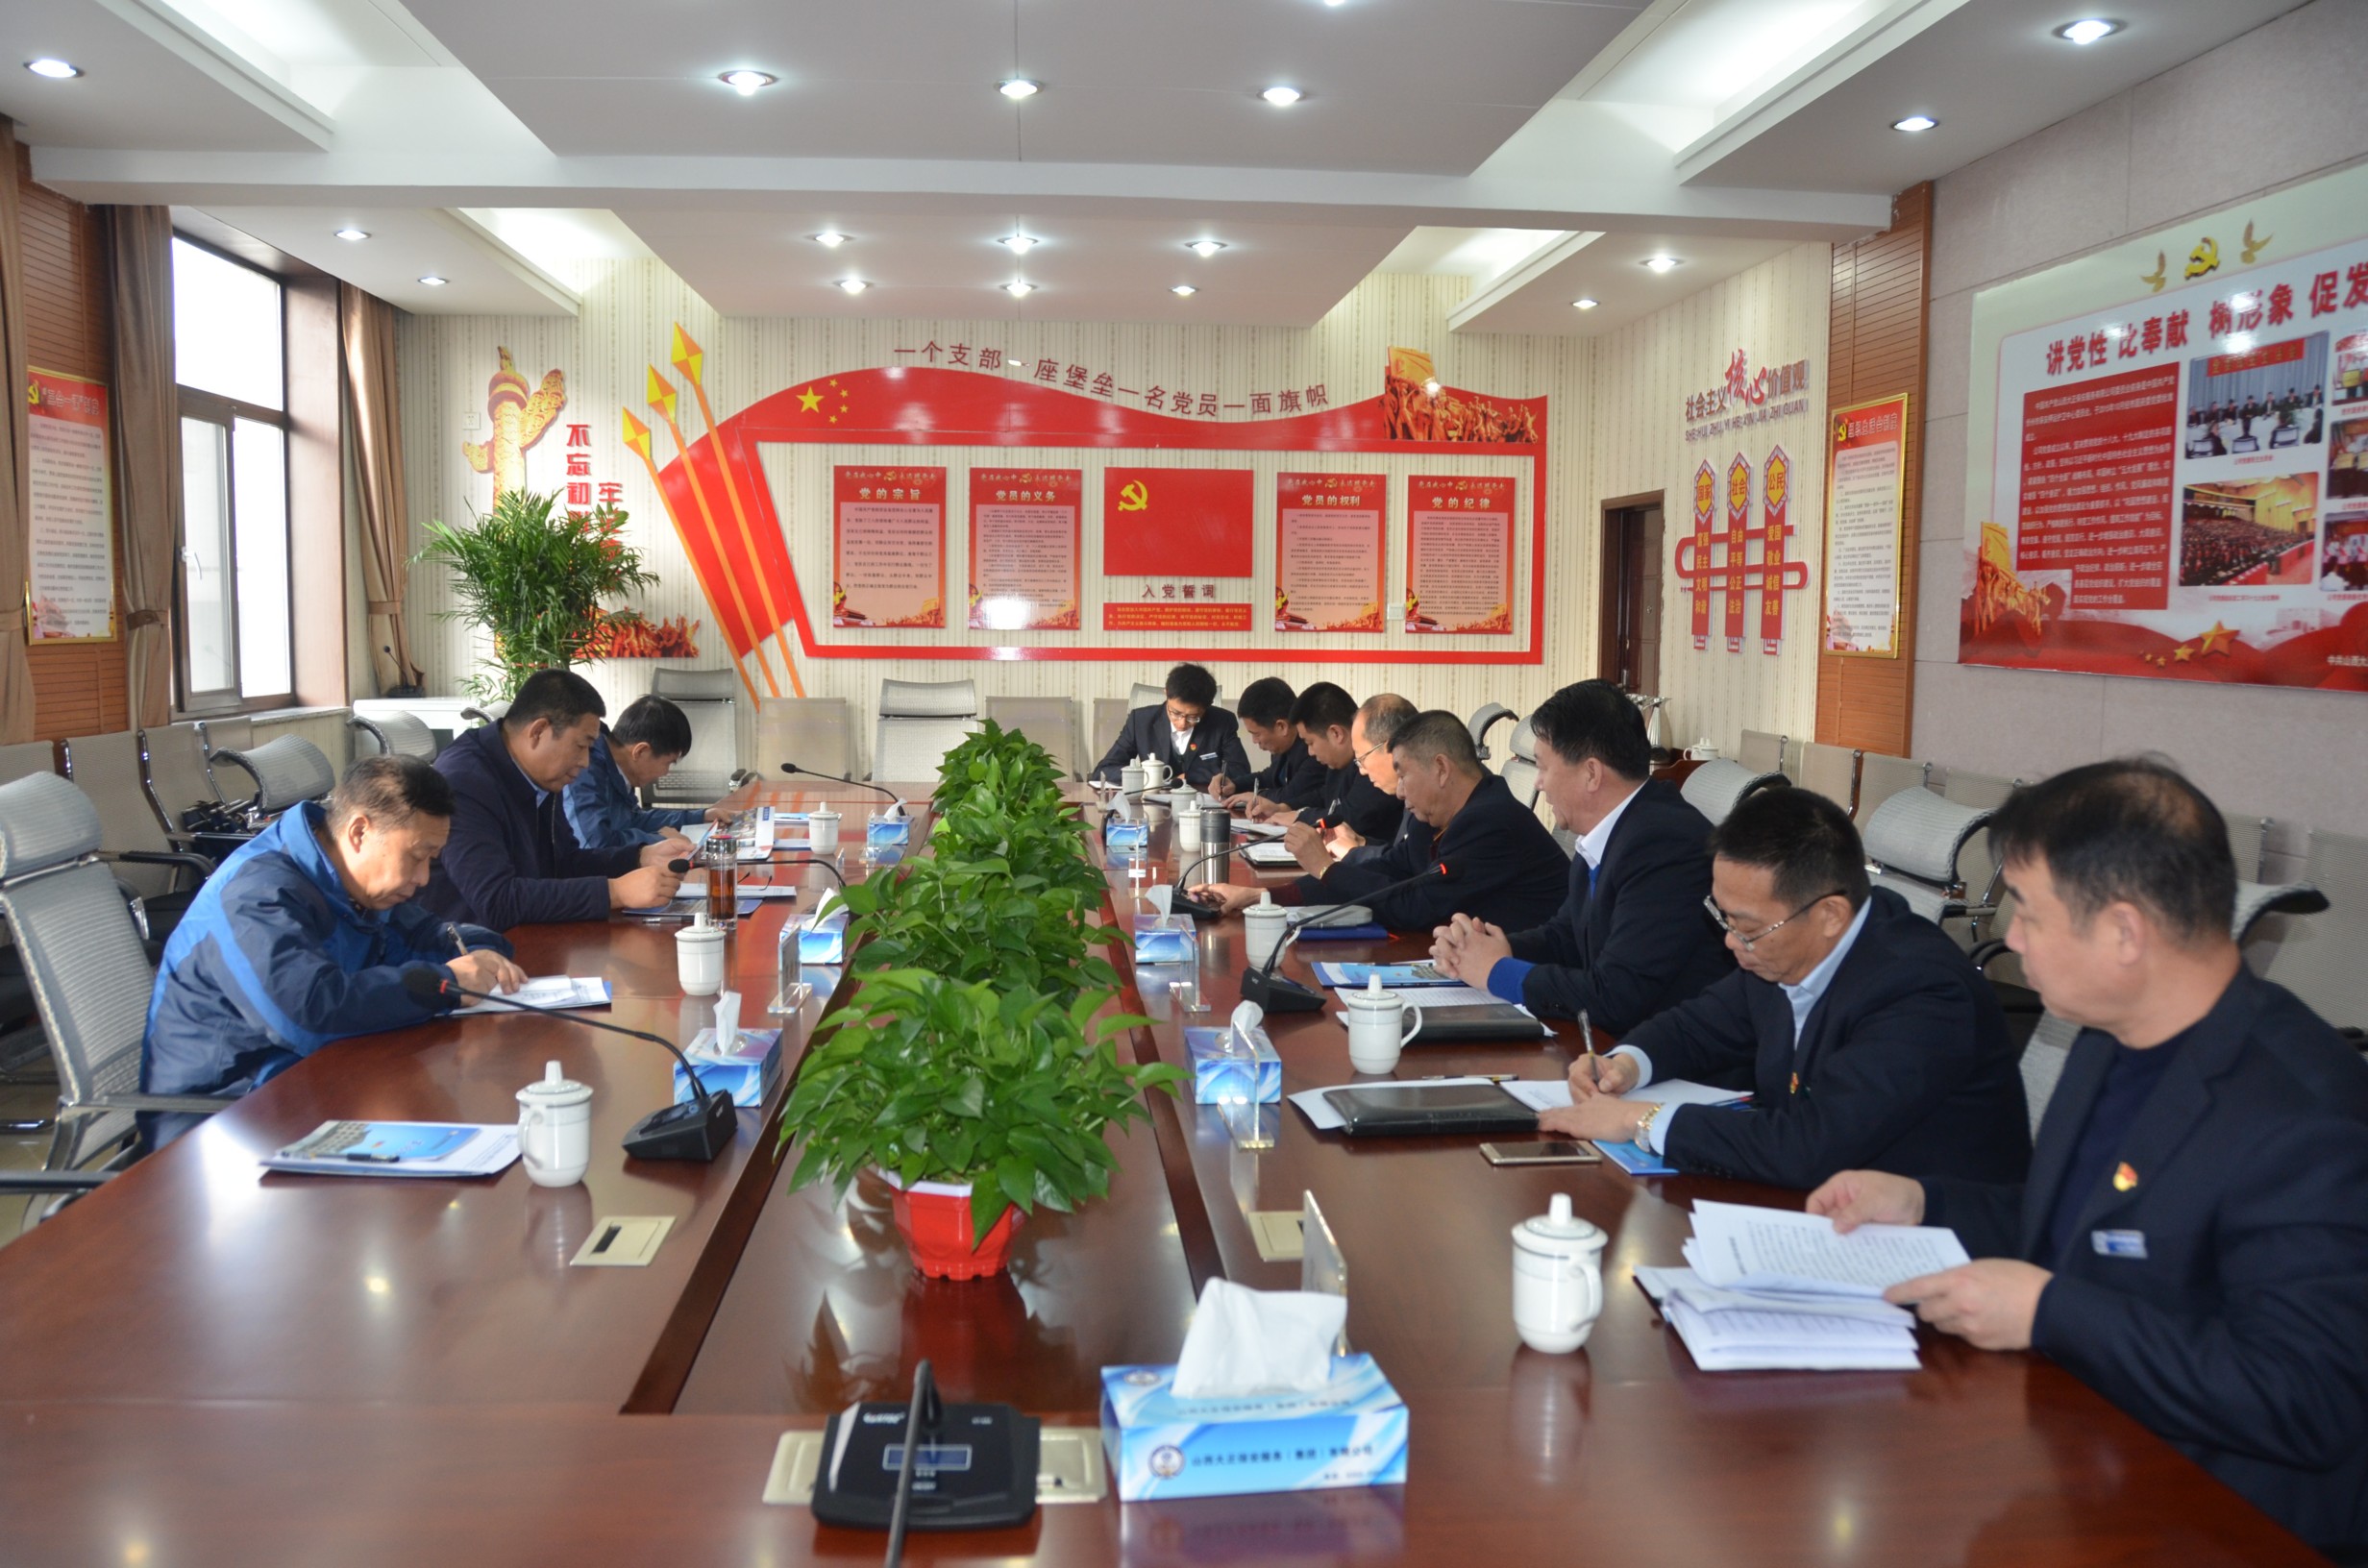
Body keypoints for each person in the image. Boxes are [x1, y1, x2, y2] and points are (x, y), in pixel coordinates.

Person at [1808, 760, 2368, 1556]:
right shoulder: (2109, 1035)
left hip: (2216, 1515)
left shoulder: (2305, 1117)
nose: (2011, 938)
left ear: (2124, 933)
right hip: (2074, 1450)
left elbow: (2306, 1397)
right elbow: (2087, 1230)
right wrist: (1926, 1202)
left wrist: (2050, 1311)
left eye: (2031, 915)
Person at [1540, 786, 2029, 1189]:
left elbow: (1812, 1146)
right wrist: (1625, 1064)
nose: (1731, 941)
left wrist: (1641, 1121)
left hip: (1930, 1245)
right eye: (1723, 917)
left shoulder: (1921, 992)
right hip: (1816, 1207)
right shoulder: (1785, 952)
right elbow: (1697, 1027)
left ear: (1830, 914)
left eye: (1748, 926)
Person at [140, 756, 529, 1147]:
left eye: (431, 860)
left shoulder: (356, 883)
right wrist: (446, 983)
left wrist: (482, 954)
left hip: (310, 1084)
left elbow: (427, 936)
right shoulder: (255, 896)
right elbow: (309, 1015)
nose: (423, 878)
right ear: (360, 832)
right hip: (219, 1124)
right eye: (416, 856)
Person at [1431, 680, 1730, 1034]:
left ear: (1591, 773)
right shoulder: (1610, 831)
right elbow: (1566, 938)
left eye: (1543, 767)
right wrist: (1486, 949)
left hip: (1670, 1055)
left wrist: (1498, 971)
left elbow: (1616, 995)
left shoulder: (1665, 846)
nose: (1538, 783)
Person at [1193, 709, 1565, 933]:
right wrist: (1259, 897)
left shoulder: (1491, 821)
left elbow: (1415, 907)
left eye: (1403, 775)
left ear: (1440, 768)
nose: (1399, 792)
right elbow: (1388, 871)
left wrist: (1326, 868)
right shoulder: (1435, 815)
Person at [420, 668, 687, 929]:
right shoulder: (464, 782)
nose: (585, 762)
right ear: (538, 731)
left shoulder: (538, 775)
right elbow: (497, 900)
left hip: (528, 936)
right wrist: (615, 892)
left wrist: (639, 857)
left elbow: (564, 863)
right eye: (581, 746)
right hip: (468, 947)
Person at [1246, 683, 1403, 858]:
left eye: (1310, 743)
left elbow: (1352, 817)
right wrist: (1284, 808)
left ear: (1336, 734)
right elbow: (1324, 794)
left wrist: (1300, 816)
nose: (1310, 752)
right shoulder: (1339, 762)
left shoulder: (1374, 765)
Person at [563, 695, 732, 850]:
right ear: (641, 751)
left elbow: (634, 819)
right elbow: (594, 845)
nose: (666, 773)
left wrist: (699, 816)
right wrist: (659, 840)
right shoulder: (585, 771)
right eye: (668, 763)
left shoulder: (616, 766)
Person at [1089, 663, 1251, 791]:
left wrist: (1189, 776)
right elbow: (1103, 771)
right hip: (1151, 806)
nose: (1182, 723)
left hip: (1204, 806)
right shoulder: (1141, 721)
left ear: (1208, 705)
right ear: (1166, 693)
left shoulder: (1222, 722)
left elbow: (1240, 772)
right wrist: (1146, 776)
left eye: (1193, 717)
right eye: (1175, 713)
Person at [1335, 694, 1425, 868]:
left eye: (1362, 758)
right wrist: (1361, 843)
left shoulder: (1427, 796)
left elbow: (1410, 868)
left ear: (1391, 747)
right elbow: (1402, 852)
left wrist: (1354, 853)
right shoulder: (1409, 788)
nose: (1362, 770)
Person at [1211, 676, 1323, 814]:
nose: (1254, 741)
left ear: (1281, 727)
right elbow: (1270, 776)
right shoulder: (1283, 745)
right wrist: (1235, 784)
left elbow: (1290, 795)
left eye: (1256, 734)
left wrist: (1256, 797)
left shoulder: (1313, 750)